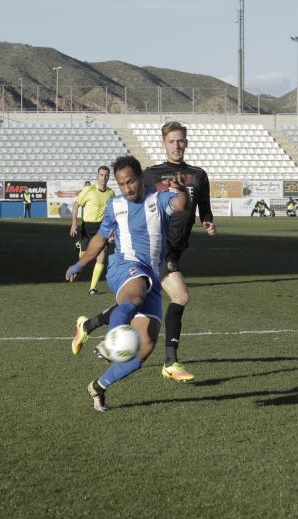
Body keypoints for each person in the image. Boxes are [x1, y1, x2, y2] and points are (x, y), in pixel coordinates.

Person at [72, 121, 215, 383]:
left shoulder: (197, 174)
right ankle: (169, 361)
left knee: (140, 315)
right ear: (163, 143)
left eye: (181, 140)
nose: (177, 145)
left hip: (172, 250)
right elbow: (140, 204)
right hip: (153, 254)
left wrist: (206, 218)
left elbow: (197, 202)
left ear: (187, 141)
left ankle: (90, 329)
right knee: (178, 296)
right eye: (171, 141)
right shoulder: (150, 175)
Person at [65, 155, 188, 412]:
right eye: (121, 184)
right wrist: (80, 263)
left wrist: (181, 188)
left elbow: (180, 204)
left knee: (143, 349)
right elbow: (99, 238)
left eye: (130, 181)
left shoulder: (158, 198)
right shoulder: (115, 206)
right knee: (134, 295)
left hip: (152, 276)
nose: (127, 188)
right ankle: (112, 341)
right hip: (124, 266)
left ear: (139, 178)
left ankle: (98, 387)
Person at [70, 166, 115, 295]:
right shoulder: (88, 190)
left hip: (102, 228)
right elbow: (76, 205)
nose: (104, 177)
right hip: (87, 227)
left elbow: (113, 213)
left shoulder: (111, 193)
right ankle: (77, 269)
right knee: (85, 256)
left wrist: (112, 232)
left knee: (102, 254)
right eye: (101, 175)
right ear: (97, 175)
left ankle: (92, 288)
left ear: (109, 176)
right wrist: (74, 224)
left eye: (106, 175)